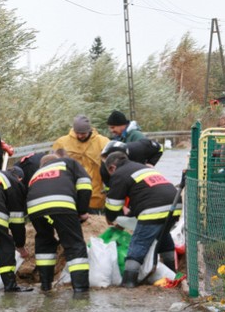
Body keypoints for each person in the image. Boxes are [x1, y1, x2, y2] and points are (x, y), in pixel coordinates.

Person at [103, 151, 181, 288]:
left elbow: (113, 204)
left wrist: (110, 218)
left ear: (111, 168)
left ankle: (129, 281)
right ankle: (172, 272)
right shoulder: (141, 168)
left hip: (154, 208)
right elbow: (145, 196)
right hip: (174, 205)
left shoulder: (119, 174)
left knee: (139, 243)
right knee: (163, 236)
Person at [26, 151, 92, 293]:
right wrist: (82, 211)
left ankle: (45, 285)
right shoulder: (67, 163)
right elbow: (85, 184)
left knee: (45, 241)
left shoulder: (36, 174)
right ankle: (80, 288)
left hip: (34, 208)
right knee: (74, 244)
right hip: (60, 203)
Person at [52, 115, 110, 212]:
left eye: (83, 133)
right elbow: (53, 163)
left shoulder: (102, 141)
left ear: (89, 130)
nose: (80, 136)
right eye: (77, 133)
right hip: (71, 193)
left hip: (95, 194)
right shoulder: (62, 142)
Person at [99, 138, 164, 187]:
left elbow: (160, 148)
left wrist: (151, 163)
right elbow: (109, 186)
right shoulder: (104, 167)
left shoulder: (138, 149)